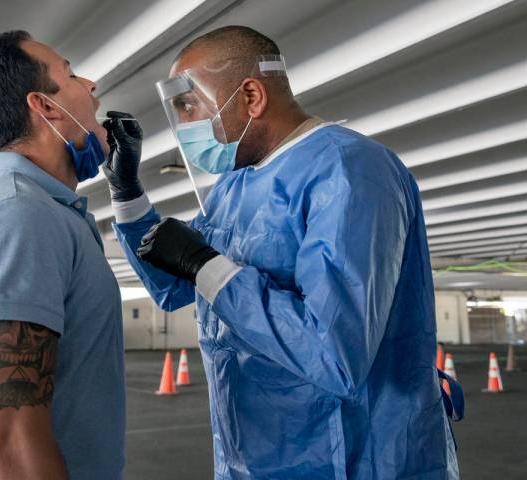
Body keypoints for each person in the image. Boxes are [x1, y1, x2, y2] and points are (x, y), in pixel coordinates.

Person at [106, 26, 461, 479]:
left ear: (251, 96)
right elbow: (176, 284)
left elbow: (335, 355)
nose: (185, 125)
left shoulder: (349, 170)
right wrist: (128, 194)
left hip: (356, 458)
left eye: (189, 105)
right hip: (256, 456)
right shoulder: (235, 185)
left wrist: (205, 264)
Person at [0, 30, 133, 479]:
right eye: (70, 74)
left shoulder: (43, 211)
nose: (90, 85)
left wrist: (130, 195)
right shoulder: (16, 214)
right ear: (46, 106)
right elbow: (9, 438)